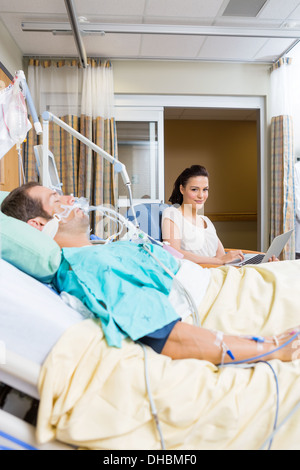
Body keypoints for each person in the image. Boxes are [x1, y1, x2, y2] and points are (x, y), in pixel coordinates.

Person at [1, 182, 300, 366]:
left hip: (231, 285)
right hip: (224, 303)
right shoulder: (89, 265)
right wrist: (271, 349)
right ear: (39, 226)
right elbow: (170, 338)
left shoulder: (100, 248)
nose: (70, 198)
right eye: (57, 199)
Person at [163, 165, 252, 265]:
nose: (201, 195)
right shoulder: (172, 214)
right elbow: (173, 253)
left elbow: (222, 256)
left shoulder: (205, 220)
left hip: (220, 271)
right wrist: (218, 261)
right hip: (200, 275)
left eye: (205, 189)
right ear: (182, 189)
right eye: (194, 189)